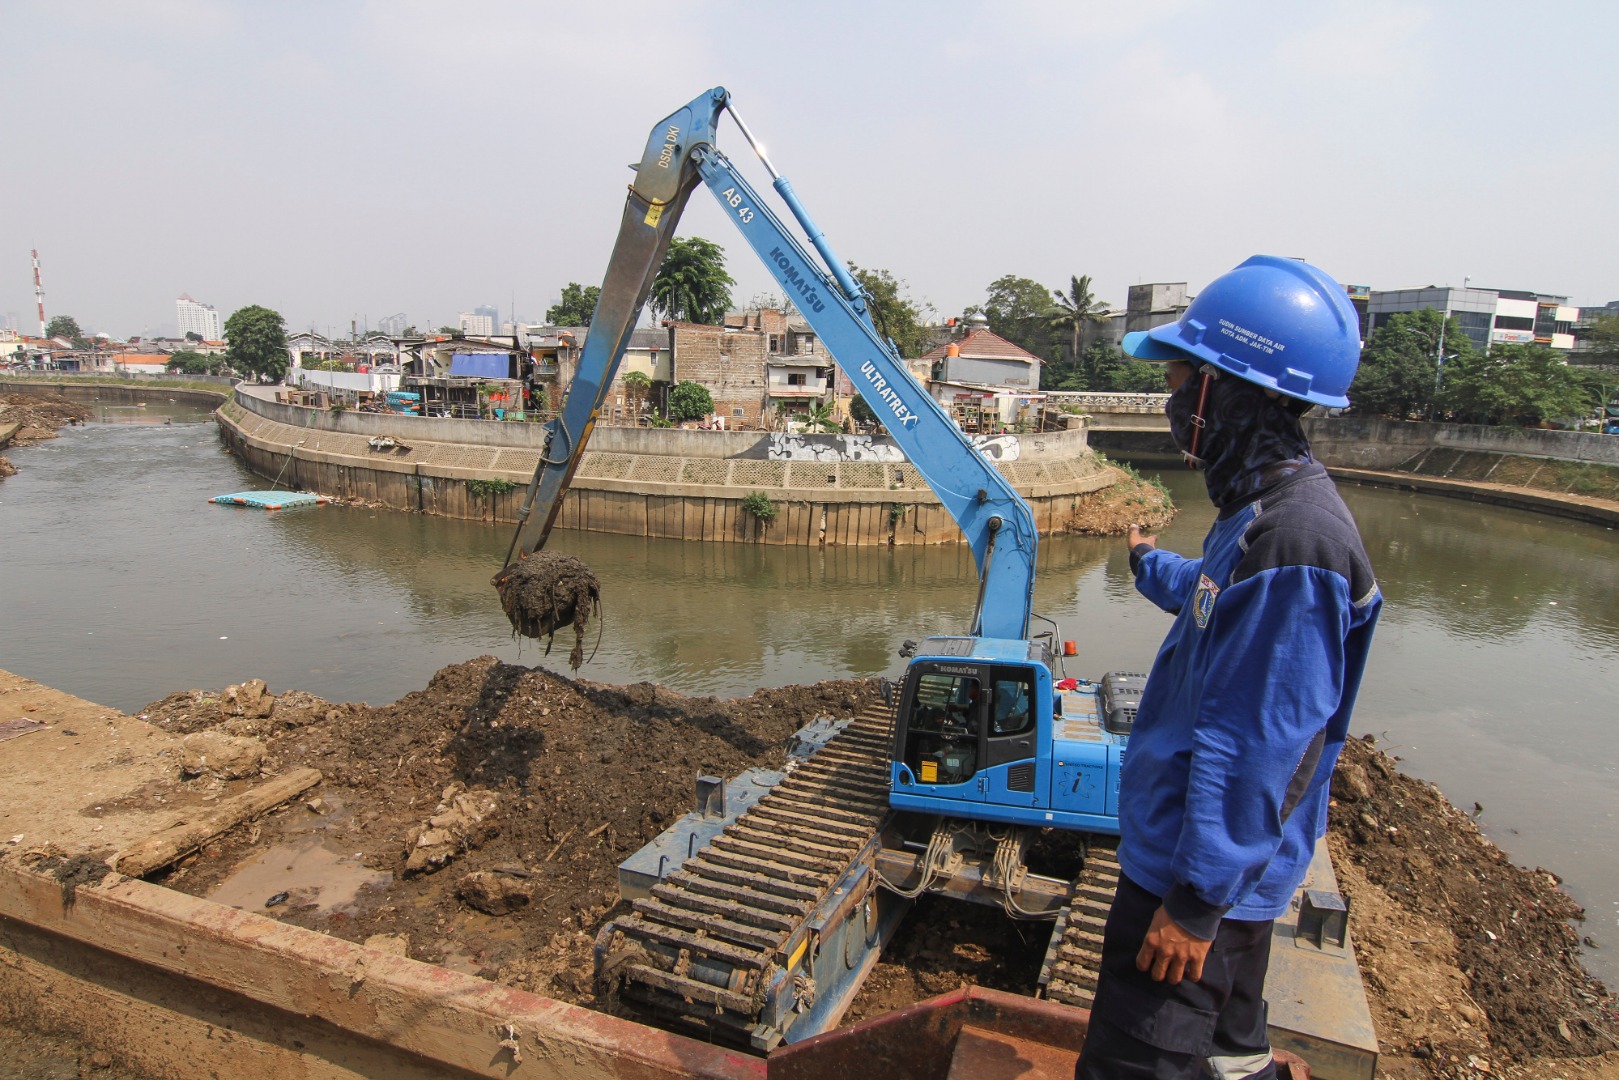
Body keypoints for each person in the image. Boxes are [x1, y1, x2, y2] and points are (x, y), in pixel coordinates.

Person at [1075, 256, 1382, 1080]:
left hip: (1194, 876)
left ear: (1222, 390)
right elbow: (1214, 600)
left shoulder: (1293, 542)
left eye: (1179, 378)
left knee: (1134, 1064)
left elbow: (1259, 740)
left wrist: (1192, 903)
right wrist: (1146, 564)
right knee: (1229, 1051)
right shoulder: (1257, 514)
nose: (1172, 402)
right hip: (1229, 870)